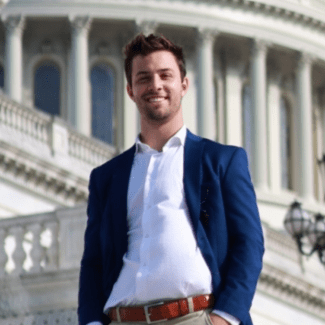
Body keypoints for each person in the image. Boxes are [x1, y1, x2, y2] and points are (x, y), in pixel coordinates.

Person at [78, 33, 264, 325]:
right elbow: (93, 262)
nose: (156, 85)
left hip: (193, 316)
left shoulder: (221, 162)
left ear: (184, 84)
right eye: (144, 78)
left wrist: (224, 318)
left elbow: (249, 243)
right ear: (130, 90)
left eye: (166, 75)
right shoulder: (106, 178)